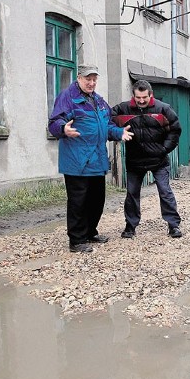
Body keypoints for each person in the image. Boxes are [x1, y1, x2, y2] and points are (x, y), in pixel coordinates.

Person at [48, 65, 133, 253]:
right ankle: (77, 240)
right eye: (88, 79)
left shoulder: (98, 101)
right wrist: (63, 129)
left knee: (96, 199)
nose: (91, 83)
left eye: (94, 79)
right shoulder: (68, 97)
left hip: (97, 159)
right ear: (79, 78)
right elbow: (54, 122)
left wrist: (119, 133)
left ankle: (90, 232)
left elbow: (107, 126)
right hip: (77, 160)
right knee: (78, 201)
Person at [111, 80, 183, 239]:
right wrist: (117, 132)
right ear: (133, 96)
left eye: (144, 97)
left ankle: (173, 225)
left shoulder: (163, 109)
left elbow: (175, 130)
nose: (141, 100)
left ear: (151, 94)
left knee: (165, 192)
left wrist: (164, 149)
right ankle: (130, 226)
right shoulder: (122, 109)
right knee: (132, 194)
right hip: (134, 160)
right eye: (138, 97)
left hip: (158, 159)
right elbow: (106, 123)